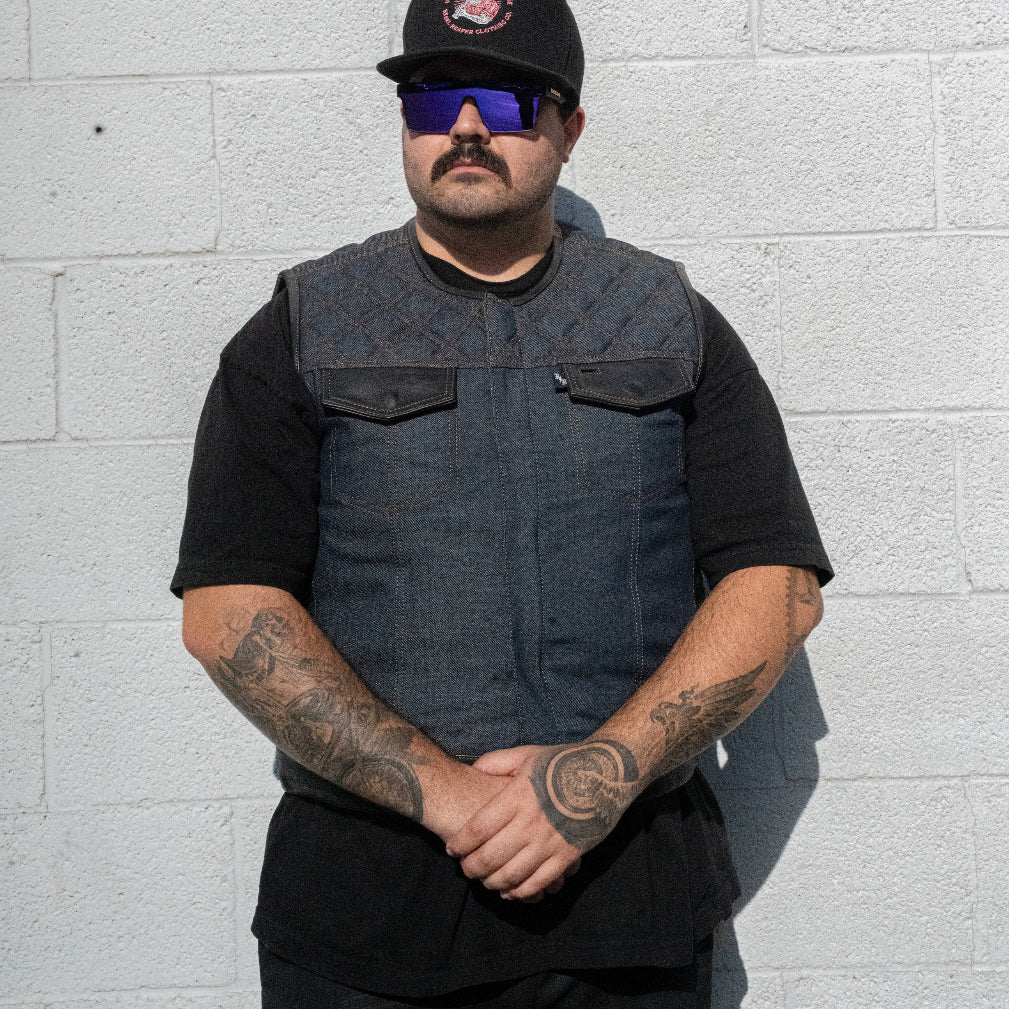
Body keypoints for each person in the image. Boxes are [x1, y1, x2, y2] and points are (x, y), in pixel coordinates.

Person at [172, 0, 833, 1004]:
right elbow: (227, 610)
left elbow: (775, 585)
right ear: (406, 123)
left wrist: (589, 785)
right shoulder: (301, 330)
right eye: (436, 98)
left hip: (627, 912)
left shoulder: (668, 320)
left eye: (506, 99)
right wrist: (452, 798)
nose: (466, 127)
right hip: (362, 917)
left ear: (567, 128)